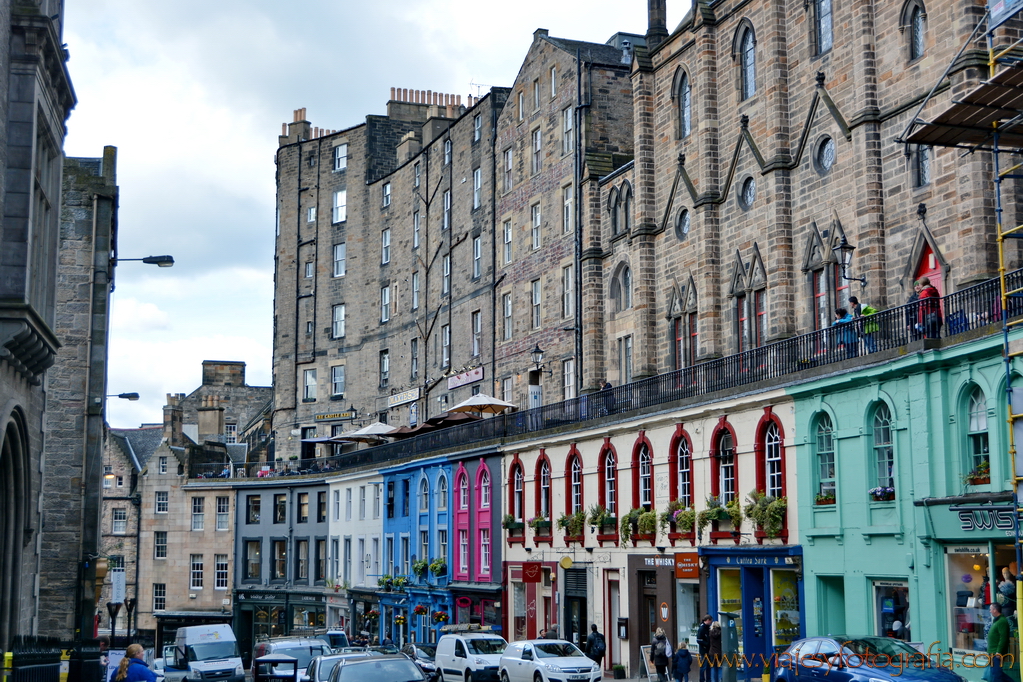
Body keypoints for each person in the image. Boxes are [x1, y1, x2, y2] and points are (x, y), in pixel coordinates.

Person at [987, 602, 1011, 682]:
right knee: (997, 674)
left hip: (996, 653)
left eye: (990, 609)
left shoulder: (1002, 621)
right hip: (993, 652)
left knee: (997, 676)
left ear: (995, 610)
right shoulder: (997, 621)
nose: (990, 611)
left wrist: (999, 652)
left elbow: (1003, 637)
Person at [695, 615, 712, 682]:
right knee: (703, 666)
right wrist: (706, 644)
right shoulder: (702, 629)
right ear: (707, 620)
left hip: (709, 650)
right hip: (704, 651)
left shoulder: (708, 628)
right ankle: (702, 679)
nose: (711, 622)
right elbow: (698, 640)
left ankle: (708, 679)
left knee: (708, 666)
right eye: (710, 621)